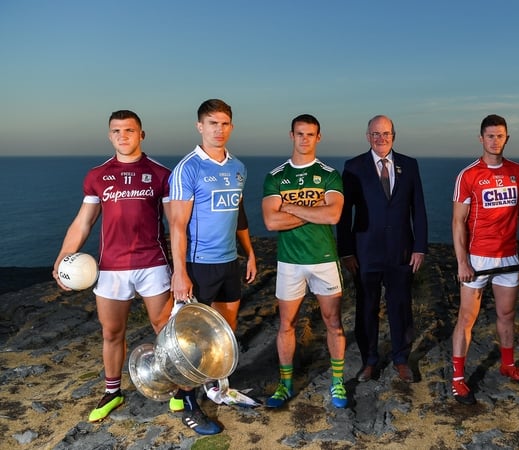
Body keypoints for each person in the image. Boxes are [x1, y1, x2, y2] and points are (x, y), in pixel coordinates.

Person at [53, 110, 173, 423]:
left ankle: (176, 387)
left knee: (164, 328)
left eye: (129, 130)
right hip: (111, 267)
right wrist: (63, 257)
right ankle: (113, 392)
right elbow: (83, 222)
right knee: (111, 332)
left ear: (141, 134)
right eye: (117, 131)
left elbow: (176, 224)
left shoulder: (161, 174)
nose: (123, 136)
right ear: (109, 136)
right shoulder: (97, 176)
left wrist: (183, 269)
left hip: (153, 263)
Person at [168, 99, 257, 435]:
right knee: (192, 340)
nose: (219, 130)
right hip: (198, 265)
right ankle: (188, 402)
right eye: (212, 123)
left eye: (224, 123)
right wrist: (180, 272)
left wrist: (250, 253)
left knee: (225, 332)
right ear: (199, 126)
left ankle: (217, 387)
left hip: (229, 262)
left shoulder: (238, 167)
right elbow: (177, 226)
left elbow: (239, 214)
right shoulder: (188, 168)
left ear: (231, 126)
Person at [262, 114, 348, 409]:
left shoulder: (329, 175)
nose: (304, 139)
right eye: (300, 133)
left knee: (333, 322)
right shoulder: (276, 176)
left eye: (310, 134)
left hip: (324, 259)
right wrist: (313, 209)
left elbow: (333, 215)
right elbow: (271, 222)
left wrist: (290, 206)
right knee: (287, 324)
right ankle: (285, 384)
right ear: (292, 135)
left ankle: (337, 381)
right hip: (290, 261)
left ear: (318, 137)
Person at [450, 114, 519, 405]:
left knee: (507, 315)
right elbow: (457, 221)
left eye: (500, 136)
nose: (495, 141)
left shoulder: (518, 171)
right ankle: (458, 379)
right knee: (466, 319)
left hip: (508, 256)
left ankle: (508, 365)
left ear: (506, 138)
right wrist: (462, 261)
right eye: (490, 136)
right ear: (481, 138)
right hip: (478, 258)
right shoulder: (468, 175)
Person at [337, 115, 428, 383]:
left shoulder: (409, 165)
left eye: (386, 133)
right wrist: (346, 251)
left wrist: (420, 247)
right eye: (375, 134)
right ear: (368, 137)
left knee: (400, 306)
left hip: (401, 251)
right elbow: (344, 213)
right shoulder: (353, 167)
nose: (381, 138)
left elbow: (418, 209)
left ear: (393, 136)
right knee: (366, 307)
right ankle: (369, 361)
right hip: (365, 252)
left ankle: (401, 359)